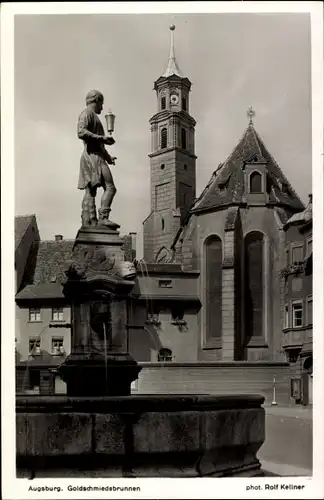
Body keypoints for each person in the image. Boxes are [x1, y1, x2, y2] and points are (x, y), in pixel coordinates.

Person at [77, 89, 117, 226]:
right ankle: (103, 218)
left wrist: (109, 157)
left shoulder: (93, 116)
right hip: (93, 157)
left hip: (93, 155)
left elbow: (100, 145)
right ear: (96, 100)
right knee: (110, 187)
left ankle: (88, 220)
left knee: (90, 191)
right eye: (102, 103)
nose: (102, 107)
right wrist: (102, 138)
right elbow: (81, 132)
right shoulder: (87, 113)